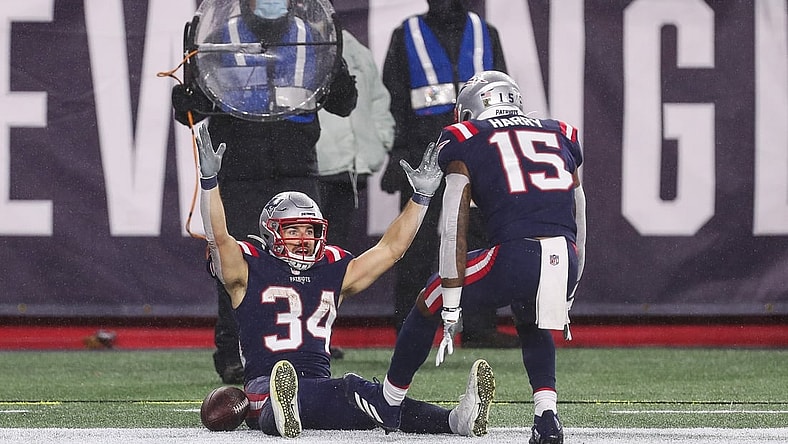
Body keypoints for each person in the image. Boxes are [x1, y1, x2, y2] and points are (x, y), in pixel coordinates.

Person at [194, 123, 496, 437]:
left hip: (320, 388)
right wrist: (209, 182)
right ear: (271, 232)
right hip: (264, 391)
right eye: (293, 229)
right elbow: (218, 239)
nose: (304, 238)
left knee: (375, 405)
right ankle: (284, 411)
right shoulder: (247, 270)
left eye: (310, 230)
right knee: (357, 390)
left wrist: (421, 197)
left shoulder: (332, 269)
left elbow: (391, 249)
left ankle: (454, 421)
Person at [350, 71, 587, 444]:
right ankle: (546, 417)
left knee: (430, 293)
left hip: (518, 253)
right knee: (531, 313)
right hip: (565, 254)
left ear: (470, 110)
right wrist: (571, 285)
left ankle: (389, 400)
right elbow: (580, 214)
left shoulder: (466, 137)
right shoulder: (559, 132)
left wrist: (451, 304)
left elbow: (454, 224)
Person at [171, 0, 358, 384]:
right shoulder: (218, 39)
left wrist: (339, 77)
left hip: (297, 165)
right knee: (233, 261)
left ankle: (304, 352)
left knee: (306, 261)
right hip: (239, 167)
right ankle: (232, 353)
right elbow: (197, 105)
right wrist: (186, 101)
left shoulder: (315, 38)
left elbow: (343, 103)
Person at [379, 0, 516, 347]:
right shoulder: (405, 34)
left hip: (479, 154)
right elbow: (393, 100)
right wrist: (398, 157)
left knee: (482, 242)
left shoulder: (487, 33)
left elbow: (503, 100)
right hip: (424, 155)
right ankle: (409, 331)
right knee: (414, 244)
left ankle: (480, 327)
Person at [316, 28, 394, 248]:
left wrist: (380, 142)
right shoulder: (299, 42)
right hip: (315, 171)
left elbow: (378, 99)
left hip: (350, 173)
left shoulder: (353, 46)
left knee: (336, 252)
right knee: (304, 253)